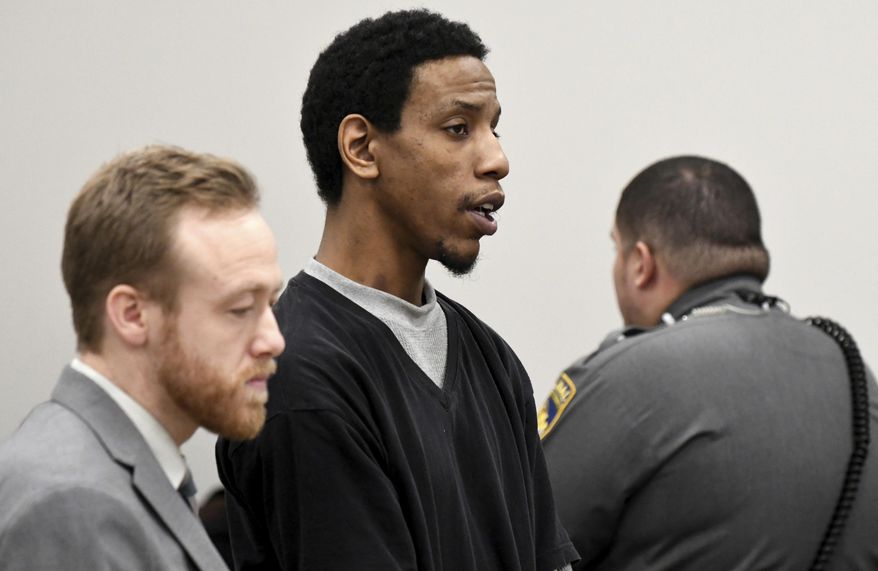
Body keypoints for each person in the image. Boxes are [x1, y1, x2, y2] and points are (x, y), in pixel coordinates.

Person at [216, 9, 578, 571]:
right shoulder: (297, 373)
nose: (497, 160)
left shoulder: (491, 359)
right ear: (362, 148)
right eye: (459, 129)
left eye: (494, 128)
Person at [540, 155, 878, 570]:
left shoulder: (630, 375)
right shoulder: (854, 373)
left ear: (641, 264)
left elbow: (513, 533)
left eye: (617, 248)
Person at [0, 145, 286, 570]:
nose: (274, 340)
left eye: (271, 304)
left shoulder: (117, 472)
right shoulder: (71, 503)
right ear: (132, 315)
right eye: (241, 309)